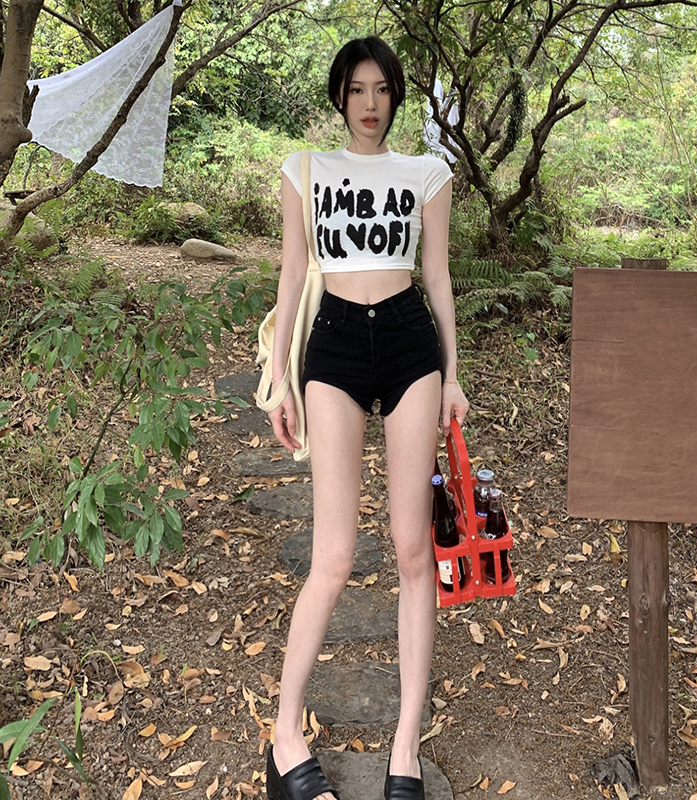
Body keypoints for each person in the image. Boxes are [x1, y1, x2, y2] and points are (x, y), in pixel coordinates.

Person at [265, 36, 469, 800]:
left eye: (382, 88)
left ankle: (405, 745)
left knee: (414, 552)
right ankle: (285, 735)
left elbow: (437, 277)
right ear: (339, 96)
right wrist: (281, 379)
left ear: (396, 95)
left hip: (411, 343)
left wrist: (453, 377)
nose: (371, 103)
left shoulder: (427, 173)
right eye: (357, 89)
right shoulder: (306, 169)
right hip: (336, 347)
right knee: (334, 556)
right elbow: (292, 274)